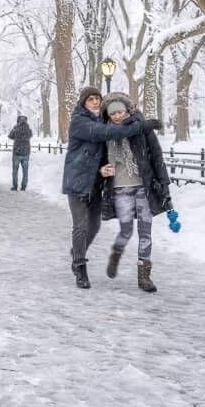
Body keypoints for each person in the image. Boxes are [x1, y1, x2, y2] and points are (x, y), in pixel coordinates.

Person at [62, 87, 160, 289]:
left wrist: (101, 171)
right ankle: (80, 267)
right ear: (83, 103)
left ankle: (77, 252)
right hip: (78, 184)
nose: (95, 102)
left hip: (95, 184)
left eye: (97, 98)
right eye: (90, 99)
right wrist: (142, 126)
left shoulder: (101, 121)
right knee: (80, 226)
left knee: (95, 226)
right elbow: (108, 132)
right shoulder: (80, 122)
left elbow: (103, 152)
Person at [99, 93, 173, 292]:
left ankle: (144, 276)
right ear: (107, 114)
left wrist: (164, 183)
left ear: (127, 111)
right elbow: (97, 160)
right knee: (126, 230)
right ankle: (116, 253)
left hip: (143, 186)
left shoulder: (142, 130)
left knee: (145, 230)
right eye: (112, 113)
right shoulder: (103, 133)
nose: (117, 116)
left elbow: (156, 156)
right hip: (119, 188)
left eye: (120, 112)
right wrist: (101, 170)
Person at [8, 115, 33, 191]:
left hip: (17, 152)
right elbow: (31, 136)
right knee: (25, 172)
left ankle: (15, 186)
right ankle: (23, 186)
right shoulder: (28, 129)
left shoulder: (16, 128)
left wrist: (14, 129)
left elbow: (10, 136)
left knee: (15, 171)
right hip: (26, 153)